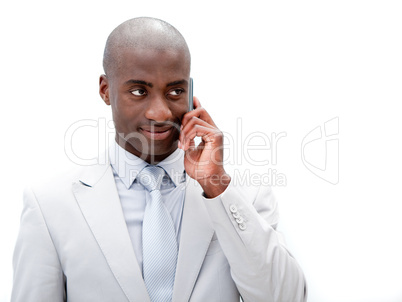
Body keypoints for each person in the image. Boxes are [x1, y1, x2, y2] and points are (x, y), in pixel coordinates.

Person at [12, 17, 307, 302]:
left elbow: (286, 298)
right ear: (106, 90)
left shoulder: (242, 195)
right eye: (139, 91)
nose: (160, 113)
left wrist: (217, 189)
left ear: (190, 93)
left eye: (175, 91)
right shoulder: (49, 205)